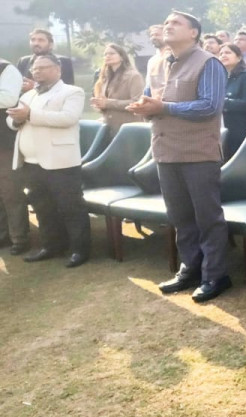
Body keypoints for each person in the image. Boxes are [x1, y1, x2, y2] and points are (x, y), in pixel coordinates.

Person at [128, 10, 232, 302]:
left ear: (194, 33)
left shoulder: (209, 63)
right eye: (166, 22)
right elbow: (151, 99)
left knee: (207, 217)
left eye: (176, 23)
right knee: (180, 216)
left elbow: (209, 107)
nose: (168, 26)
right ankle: (190, 269)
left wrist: (164, 108)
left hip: (198, 153)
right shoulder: (156, 62)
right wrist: (143, 106)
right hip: (165, 150)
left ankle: (216, 275)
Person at [6, 54, 89, 267]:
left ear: (58, 69)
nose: (38, 71)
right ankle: (51, 246)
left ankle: (80, 250)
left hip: (60, 162)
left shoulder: (72, 92)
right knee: (43, 207)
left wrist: (30, 114)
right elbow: (12, 119)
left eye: (43, 67)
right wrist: (15, 120)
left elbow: (67, 118)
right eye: (35, 68)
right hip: (31, 163)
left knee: (70, 207)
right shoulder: (29, 94)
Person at [0, 59, 29, 254]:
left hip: (4, 142)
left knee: (10, 191)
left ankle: (19, 238)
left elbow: (9, 99)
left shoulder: (6, 68)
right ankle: (3, 235)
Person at [90, 43, 145, 137]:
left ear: (122, 57)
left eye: (112, 53)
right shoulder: (104, 78)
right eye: (105, 54)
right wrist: (99, 105)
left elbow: (137, 103)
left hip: (128, 130)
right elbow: (105, 104)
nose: (107, 56)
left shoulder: (133, 76)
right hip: (108, 128)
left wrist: (107, 103)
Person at [219, 44, 246, 160]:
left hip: (242, 131)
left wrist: (222, 103)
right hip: (225, 131)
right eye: (221, 53)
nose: (223, 55)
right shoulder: (221, 78)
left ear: (238, 57)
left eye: (228, 53)